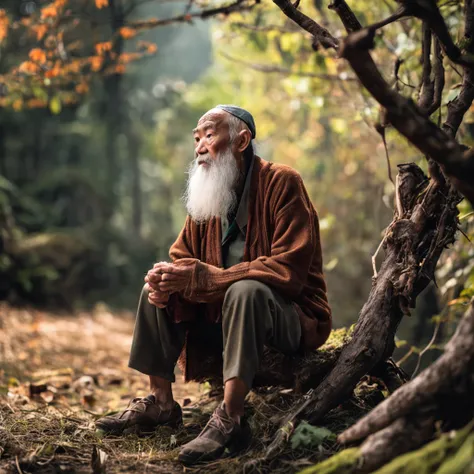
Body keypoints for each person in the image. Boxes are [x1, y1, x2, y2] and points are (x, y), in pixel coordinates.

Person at [95, 105, 332, 465]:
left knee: (246, 289)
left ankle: (231, 416)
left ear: (242, 140)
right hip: (222, 318)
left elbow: (289, 271)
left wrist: (212, 279)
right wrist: (167, 280)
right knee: (154, 290)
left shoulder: (283, 183)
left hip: (290, 318)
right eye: (196, 138)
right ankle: (160, 403)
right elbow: (183, 258)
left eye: (209, 135)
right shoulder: (208, 196)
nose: (200, 147)